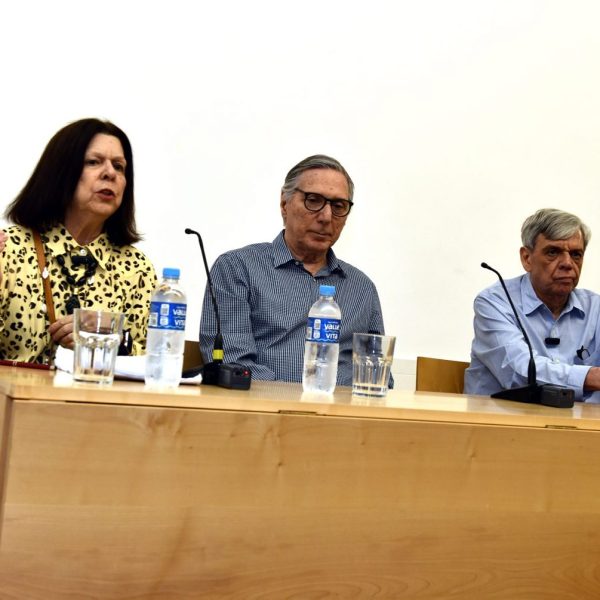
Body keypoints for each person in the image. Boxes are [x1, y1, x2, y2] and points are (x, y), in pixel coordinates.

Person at [199, 154, 389, 385]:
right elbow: (234, 364)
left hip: (344, 416)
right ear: (284, 203)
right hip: (261, 414)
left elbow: (379, 377)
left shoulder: (361, 288)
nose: (326, 216)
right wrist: (296, 402)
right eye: (313, 200)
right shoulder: (238, 269)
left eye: (338, 206)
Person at [0, 118, 156, 364]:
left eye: (119, 166)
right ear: (61, 173)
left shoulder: (137, 268)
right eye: (93, 162)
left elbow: (152, 360)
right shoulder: (9, 249)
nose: (110, 173)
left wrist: (106, 336)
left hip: (96, 401)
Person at [464, 208, 600, 402]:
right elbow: (519, 373)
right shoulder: (495, 302)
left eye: (576, 254)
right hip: (502, 425)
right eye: (553, 252)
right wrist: (589, 376)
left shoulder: (595, 308)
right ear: (527, 258)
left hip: (579, 427)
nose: (568, 263)